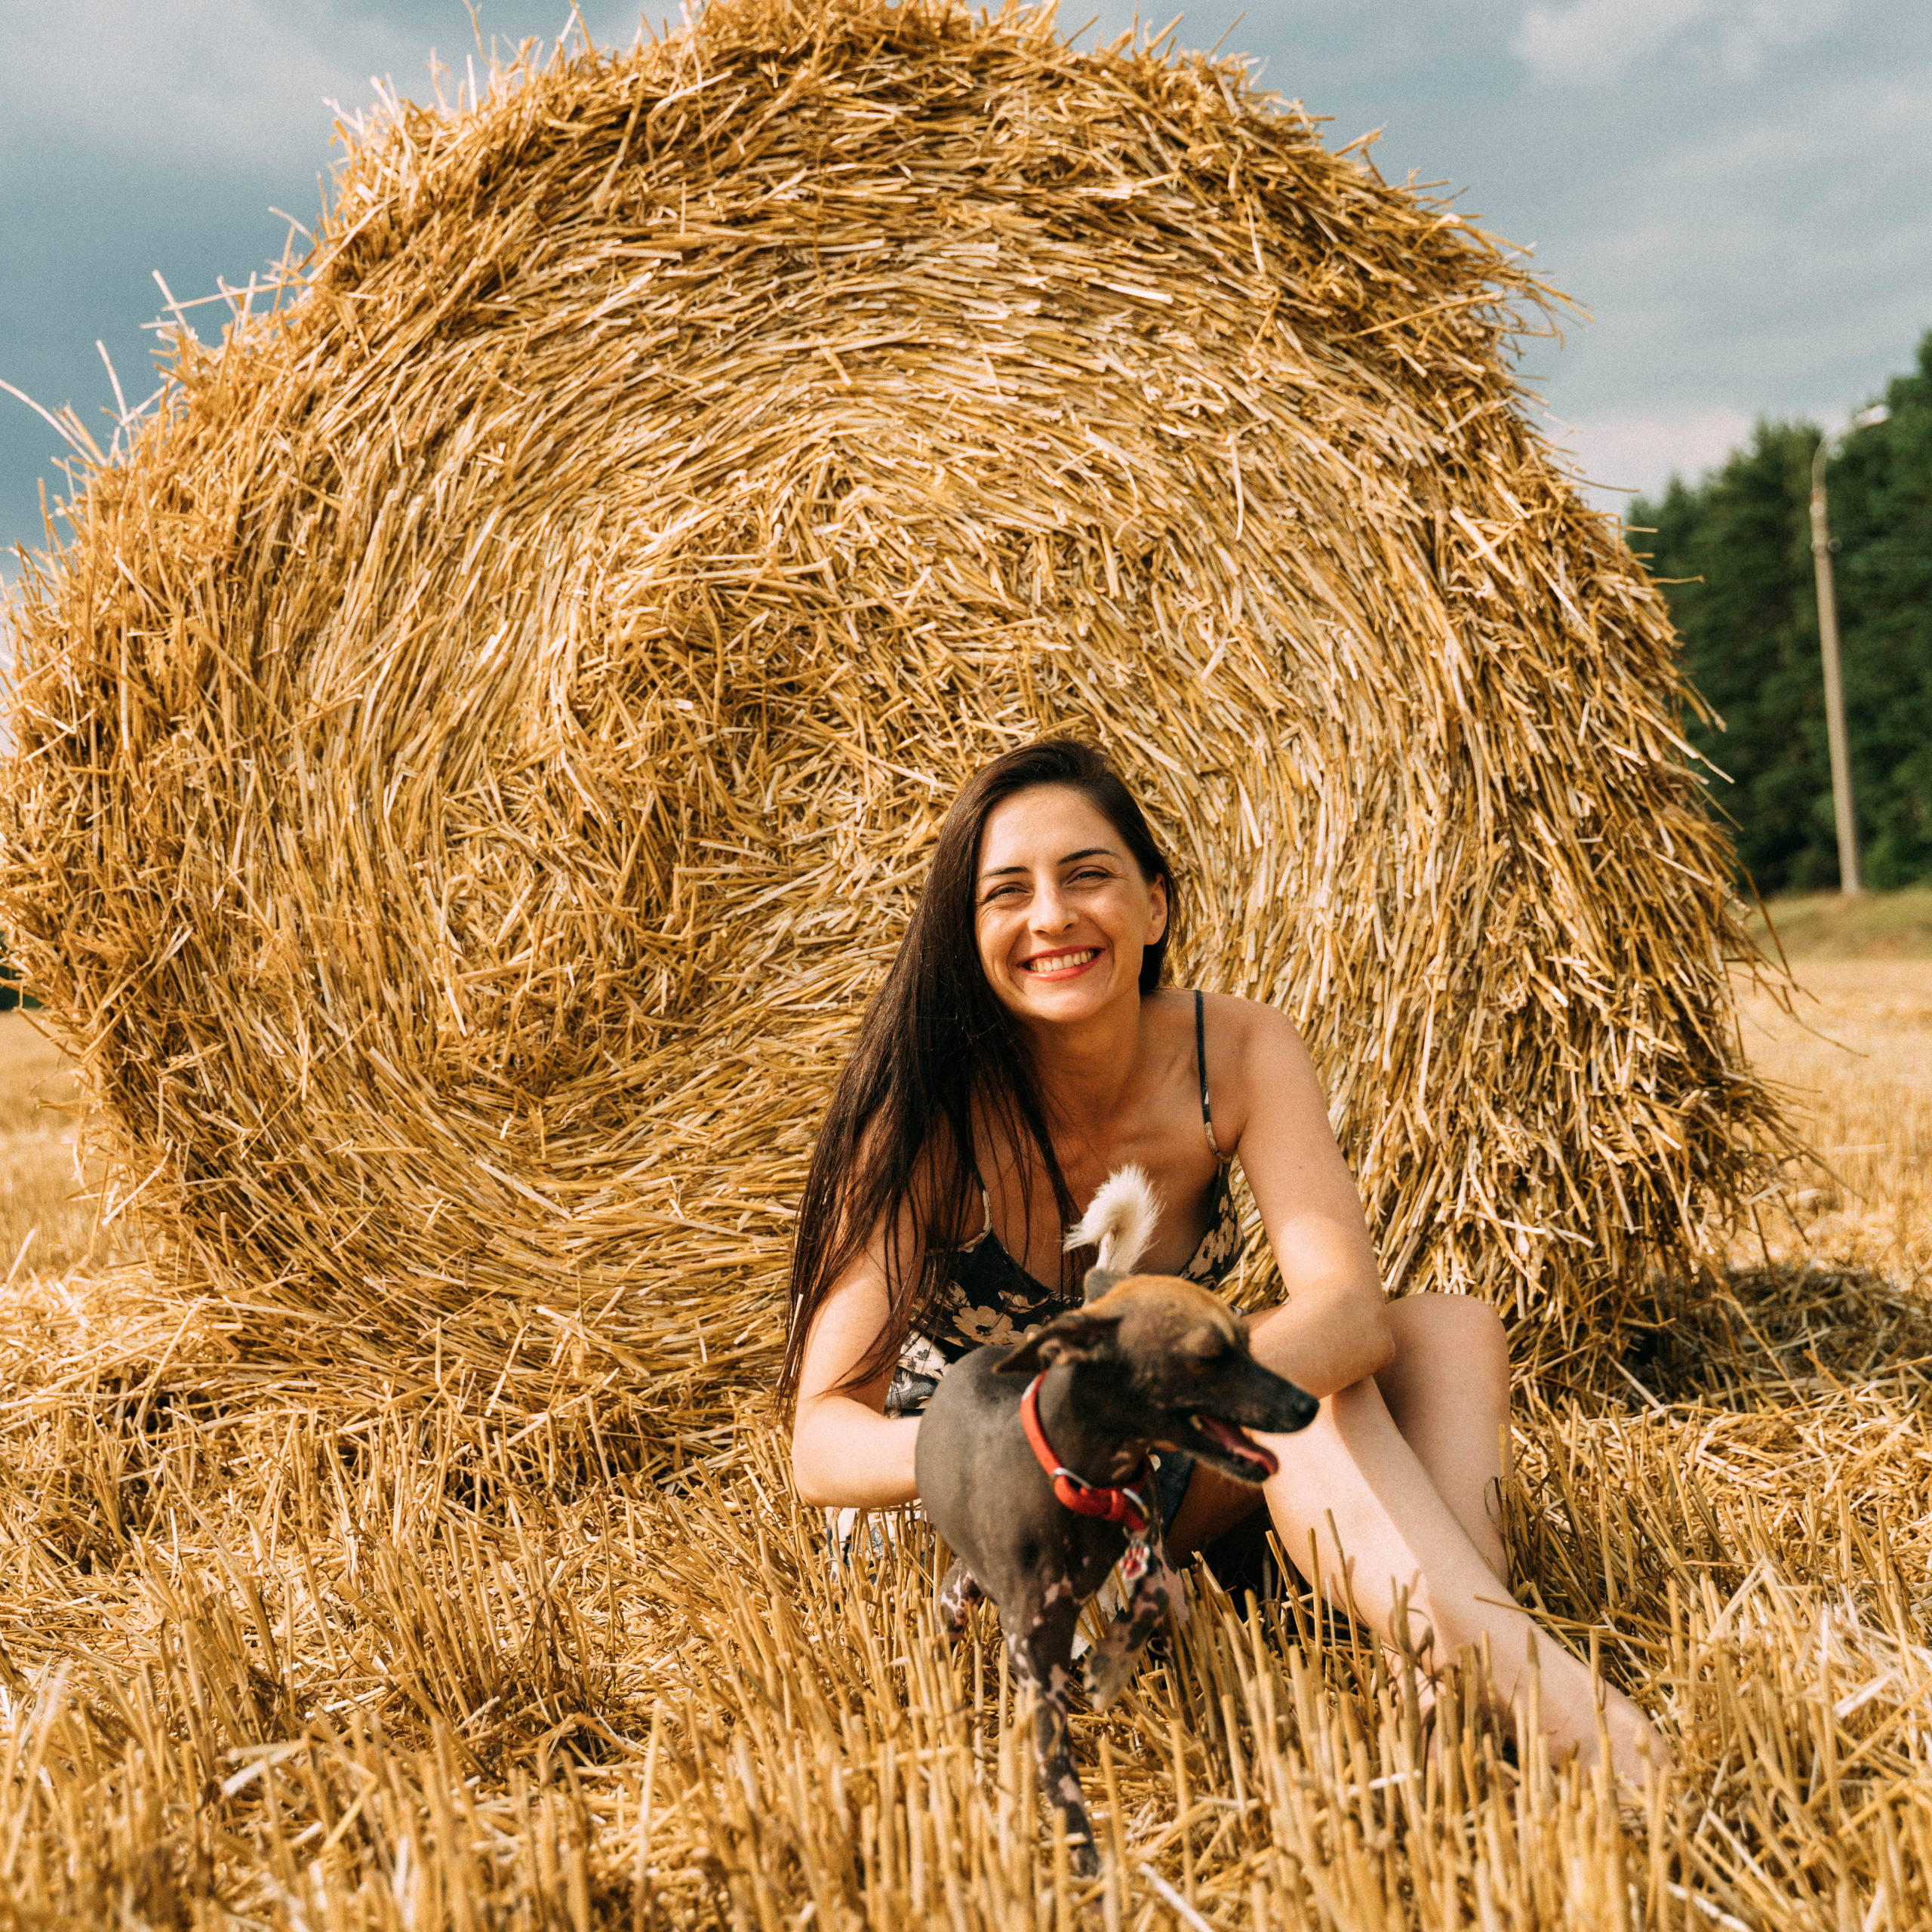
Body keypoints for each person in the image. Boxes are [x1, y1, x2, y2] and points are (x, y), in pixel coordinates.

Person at [782, 739, 1668, 1781]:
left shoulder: (1237, 1052)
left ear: (1156, 906)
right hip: (985, 1498)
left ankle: (1452, 1668)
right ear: (968, 934)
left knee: (1445, 1328)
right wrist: (1037, 1427)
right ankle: (1556, 1705)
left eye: (1089, 875)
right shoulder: (932, 1114)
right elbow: (820, 1443)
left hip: (1148, 1461)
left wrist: (1187, 1393)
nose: (1053, 916)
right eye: (1007, 892)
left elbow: (1350, 1311)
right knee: (1292, 1406)